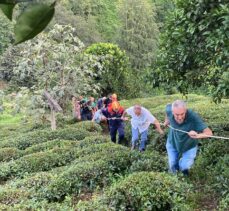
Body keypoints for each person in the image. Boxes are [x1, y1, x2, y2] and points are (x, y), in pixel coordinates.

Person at [164, 100, 213, 175]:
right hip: (173, 141)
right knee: (172, 164)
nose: (180, 117)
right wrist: (167, 120)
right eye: (177, 114)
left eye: (182, 114)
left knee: (185, 167)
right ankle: (175, 178)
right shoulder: (169, 110)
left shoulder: (193, 116)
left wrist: (197, 135)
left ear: (185, 110)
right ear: (172, 111)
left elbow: (209, 133)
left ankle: (183, 173)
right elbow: (167, 109)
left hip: (189, 145)